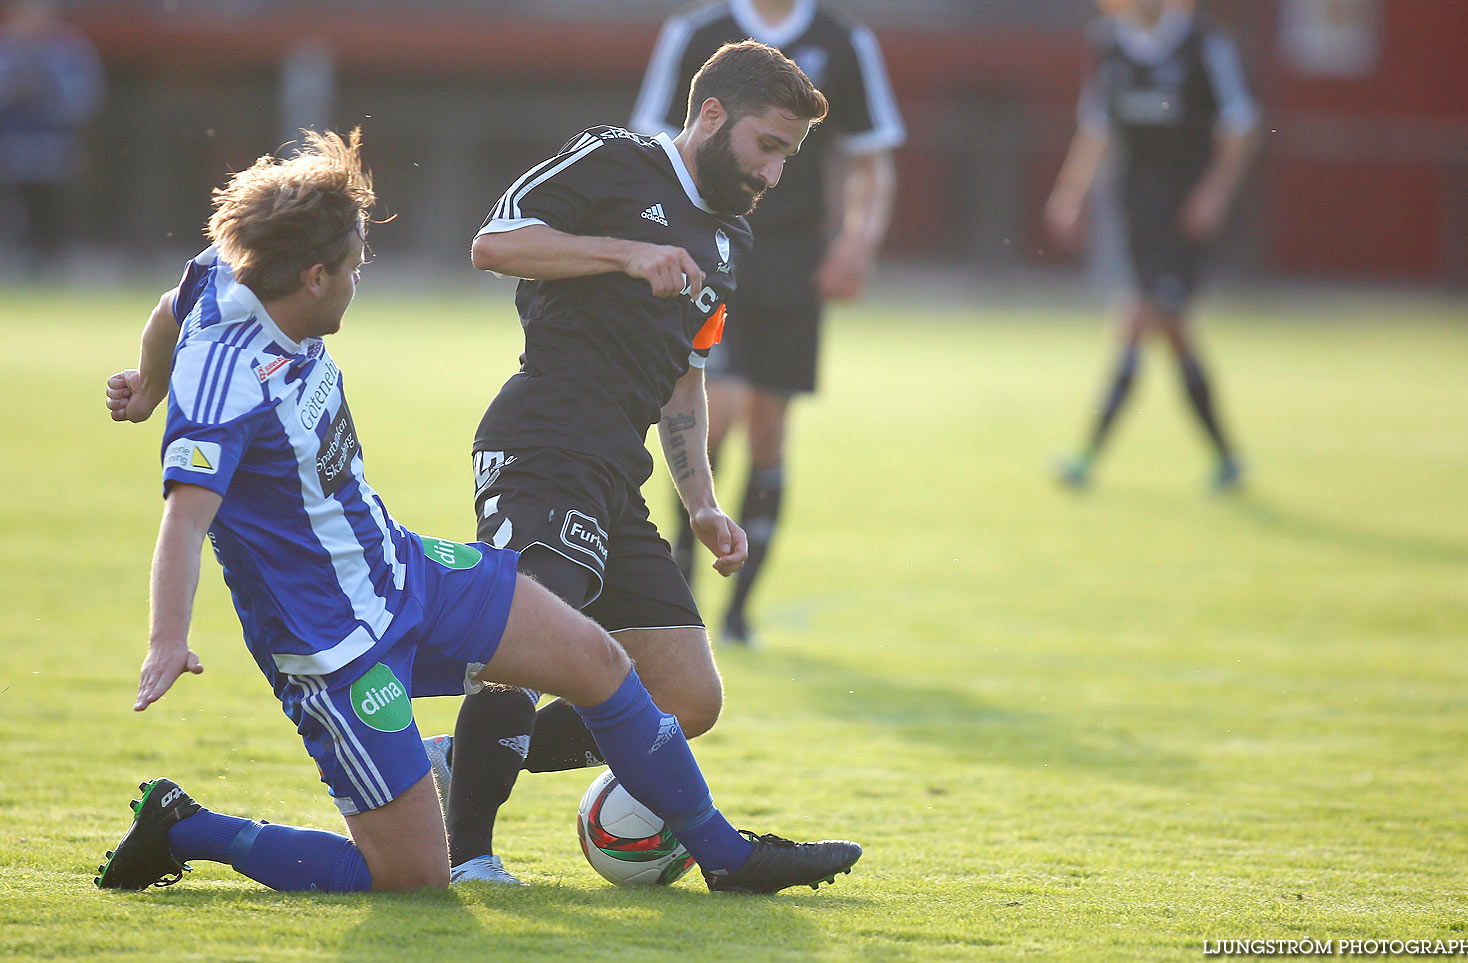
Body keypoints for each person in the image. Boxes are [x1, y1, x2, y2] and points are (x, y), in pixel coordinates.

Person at [95, 128, 860, 895]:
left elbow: (171, 305)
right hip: (333, 641)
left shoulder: (222, 277)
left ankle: (728, 855)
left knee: (597, 660)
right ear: (316, 275)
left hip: (404, 568)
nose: (361, 283)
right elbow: (184, 520)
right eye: (357, 268)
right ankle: (186, 825)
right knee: (410, 878)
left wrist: (147, 380)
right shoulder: (228, 379)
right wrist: (167, 639)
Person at [422, 40, 831, 885]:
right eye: (768, 146)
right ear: (712, 114)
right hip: (540, 443)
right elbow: (493, 244)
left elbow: (685, 374)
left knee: (689, 699)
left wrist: (705, 500)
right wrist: (621, 250)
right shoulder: (615, 159)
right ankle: (469, 859)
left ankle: (458, 755)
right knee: (522, 648)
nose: (773, 174)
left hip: (619, 474)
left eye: (788, 157)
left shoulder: (730, 241)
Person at [632, 0, 904, 643]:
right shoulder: (697, 34)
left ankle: (739, 612)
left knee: (770, 433)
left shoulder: (842, 41)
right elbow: (652, 144)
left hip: (794, 261)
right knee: (711, 414)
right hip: (713, 248)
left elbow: (871, 160)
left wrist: (857, 243)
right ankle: (684, 588)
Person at [1045, 0, 1257, 491]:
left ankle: (1086, 458)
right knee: (1171, 328)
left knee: (1140, 317)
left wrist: (1214, 194)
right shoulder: (1110, 43)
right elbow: (1096, 126)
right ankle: (1228, 459)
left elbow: (1241, 125)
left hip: (1185, 215)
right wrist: (1070, 193)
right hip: (1135, 209)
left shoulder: (1203, 41)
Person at [0, 0, 104, 275]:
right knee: (16, 203)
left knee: (52, 203)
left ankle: (52, 259)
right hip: (12, 140)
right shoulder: (6, 47)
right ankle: (18, 257)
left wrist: (46, 91)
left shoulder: (68, 48)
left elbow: (84, 96)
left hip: (54, 140)